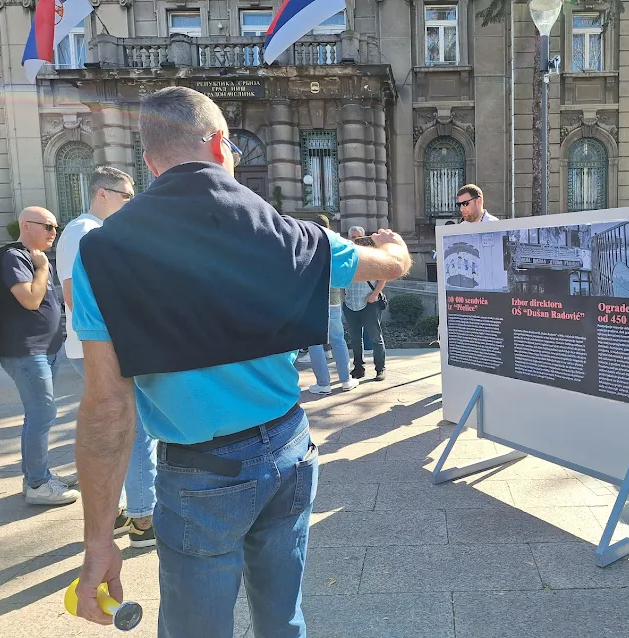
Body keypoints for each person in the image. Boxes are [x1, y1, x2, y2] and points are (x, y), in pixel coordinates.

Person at [70, 87, 411, 637]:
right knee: (282, 619)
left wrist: (98, 541)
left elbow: (108, 407)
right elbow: (388, 265)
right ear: (223, 145)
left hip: (201, 472)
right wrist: (395, 247)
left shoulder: (104, 252)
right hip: (289, 450)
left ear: (150, 161)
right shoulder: (286, 233)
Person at [56, 166, 158, 548]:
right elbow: (73, 295)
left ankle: (119, 512)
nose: (130, 203)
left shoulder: (86, 231)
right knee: (132, 431)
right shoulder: (86, 232)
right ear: (103, 193)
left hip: (96, 346)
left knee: (117, 431)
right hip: (101, 348)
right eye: (126, 195)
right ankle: (144, 518)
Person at [0, 207, 79, 505]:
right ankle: (37, 484)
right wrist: (42, 268)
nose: (53, 232)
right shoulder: (15, 256)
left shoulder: (35, 258)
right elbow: (30, 300)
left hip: (46, 350)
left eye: (55, 227)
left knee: (37, 415)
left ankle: (37, 475)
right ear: (25, 225)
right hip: (26, 352)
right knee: (42, 414)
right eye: (47, 226)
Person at [307, 219, 357, 395]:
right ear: (328, 226)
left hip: (312, 301)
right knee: (338, 339)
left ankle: (323, 384)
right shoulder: (332, 241)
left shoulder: (304, 242)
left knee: (314, 343)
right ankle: (346, 380)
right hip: (333, 298)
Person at [343, 226, 388, 381]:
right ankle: (358, 368)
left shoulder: (372, 256)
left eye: (359, 237)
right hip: (350, 303)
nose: (356, 240)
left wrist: (374, 294)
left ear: (364, 238)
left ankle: (380, 368)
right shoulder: (346, 256)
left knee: (375, 337)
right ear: (349, 238)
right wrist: (344, 295)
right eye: (353, 237)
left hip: (370, 302)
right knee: (355, 339)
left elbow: (383, 277)